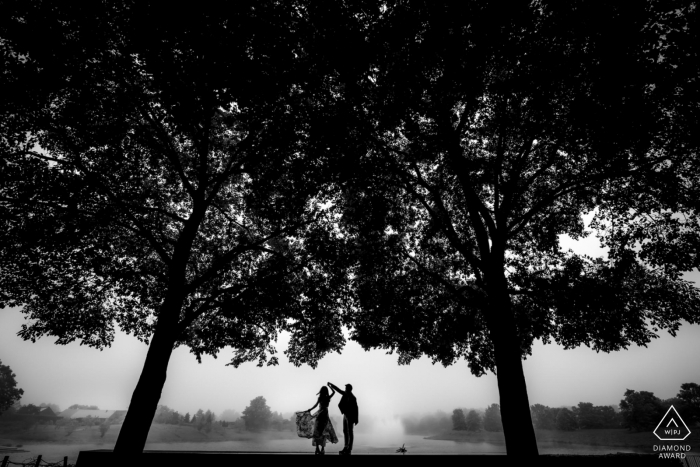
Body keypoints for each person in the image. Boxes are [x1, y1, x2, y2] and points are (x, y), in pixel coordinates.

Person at [328, 382, 358, 455]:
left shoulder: (353, 397)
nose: (345, 389)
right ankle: (345, 447)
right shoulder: (345, 394)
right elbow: (338, 390)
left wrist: (356, 419)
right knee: (345, 431)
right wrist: (331, 384)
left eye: (346, 388)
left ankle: (349, 449)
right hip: (345, 415)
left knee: (350, 432)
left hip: (350, 416)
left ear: (349, 389)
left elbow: (356, 408)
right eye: (345, 388)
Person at [306, 385, 336, 455]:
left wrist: (310, 409)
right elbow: (334, 392)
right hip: (324, 416)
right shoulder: (327, 397)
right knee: (323, 433)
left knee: (317, 432)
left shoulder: (320, 398)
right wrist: (330, 386)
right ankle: (322, 449)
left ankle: (317, 449)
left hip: (320, 416)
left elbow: (316, 405)